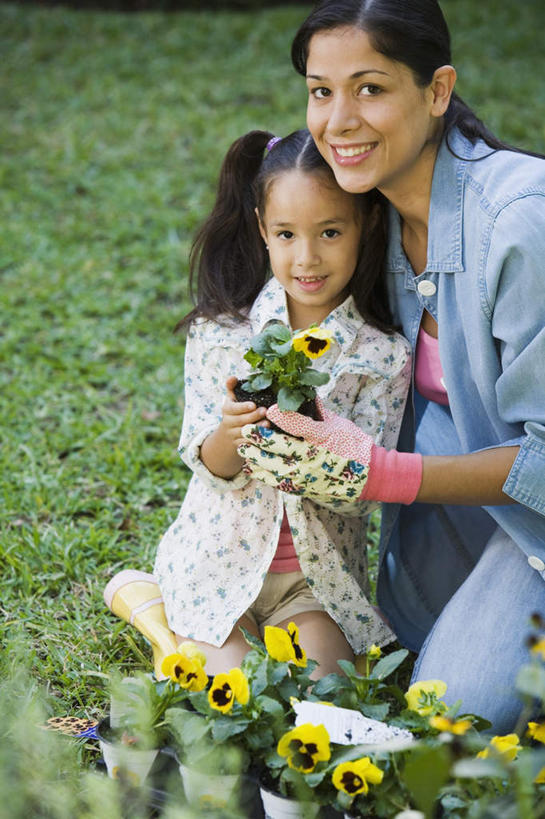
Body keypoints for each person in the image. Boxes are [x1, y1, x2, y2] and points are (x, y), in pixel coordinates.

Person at [238, 0, 545, 729]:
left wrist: (384, 473)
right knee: (402, 661)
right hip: (477, 502)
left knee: (453, 714)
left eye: (369, 88)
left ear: (436, 91)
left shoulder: (518, 224)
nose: (338, 119)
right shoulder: (369, 219)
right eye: (321, 90)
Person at [105, 128, 411, 677]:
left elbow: (361, 501)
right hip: (219, 574)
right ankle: (165, 602)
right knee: (228, 694)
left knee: (321, 698)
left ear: (365, 226)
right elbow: (210, 466)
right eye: (287, 234)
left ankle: (156, 609)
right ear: (261, 231)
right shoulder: (220, 335)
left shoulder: (381, 355)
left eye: (330, 232)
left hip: (315, 587)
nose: (307, 257)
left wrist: (319, 445)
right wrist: (232, 432)